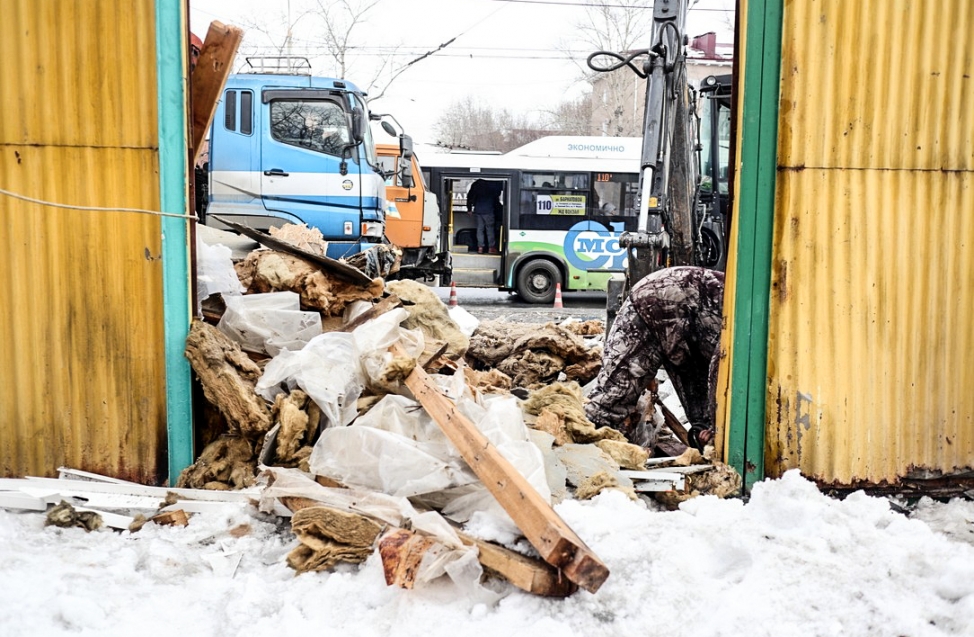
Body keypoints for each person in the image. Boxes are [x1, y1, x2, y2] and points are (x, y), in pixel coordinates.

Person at [584, 266, 725, 451]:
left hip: (690, 324)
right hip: (652, 304)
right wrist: (718, 427)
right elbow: (723, 366)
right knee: (609, 403)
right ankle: (581, 452)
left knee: (706, 425)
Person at [467, 179, 501, 254]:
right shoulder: (491, 184)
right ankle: (491, 248)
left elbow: (470, 196)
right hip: (489, 209)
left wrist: (469, 208)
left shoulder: (476, 184)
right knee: (490, 229)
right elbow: (497, 196)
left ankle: (480, 248)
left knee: (480, 229)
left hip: (478, 209)